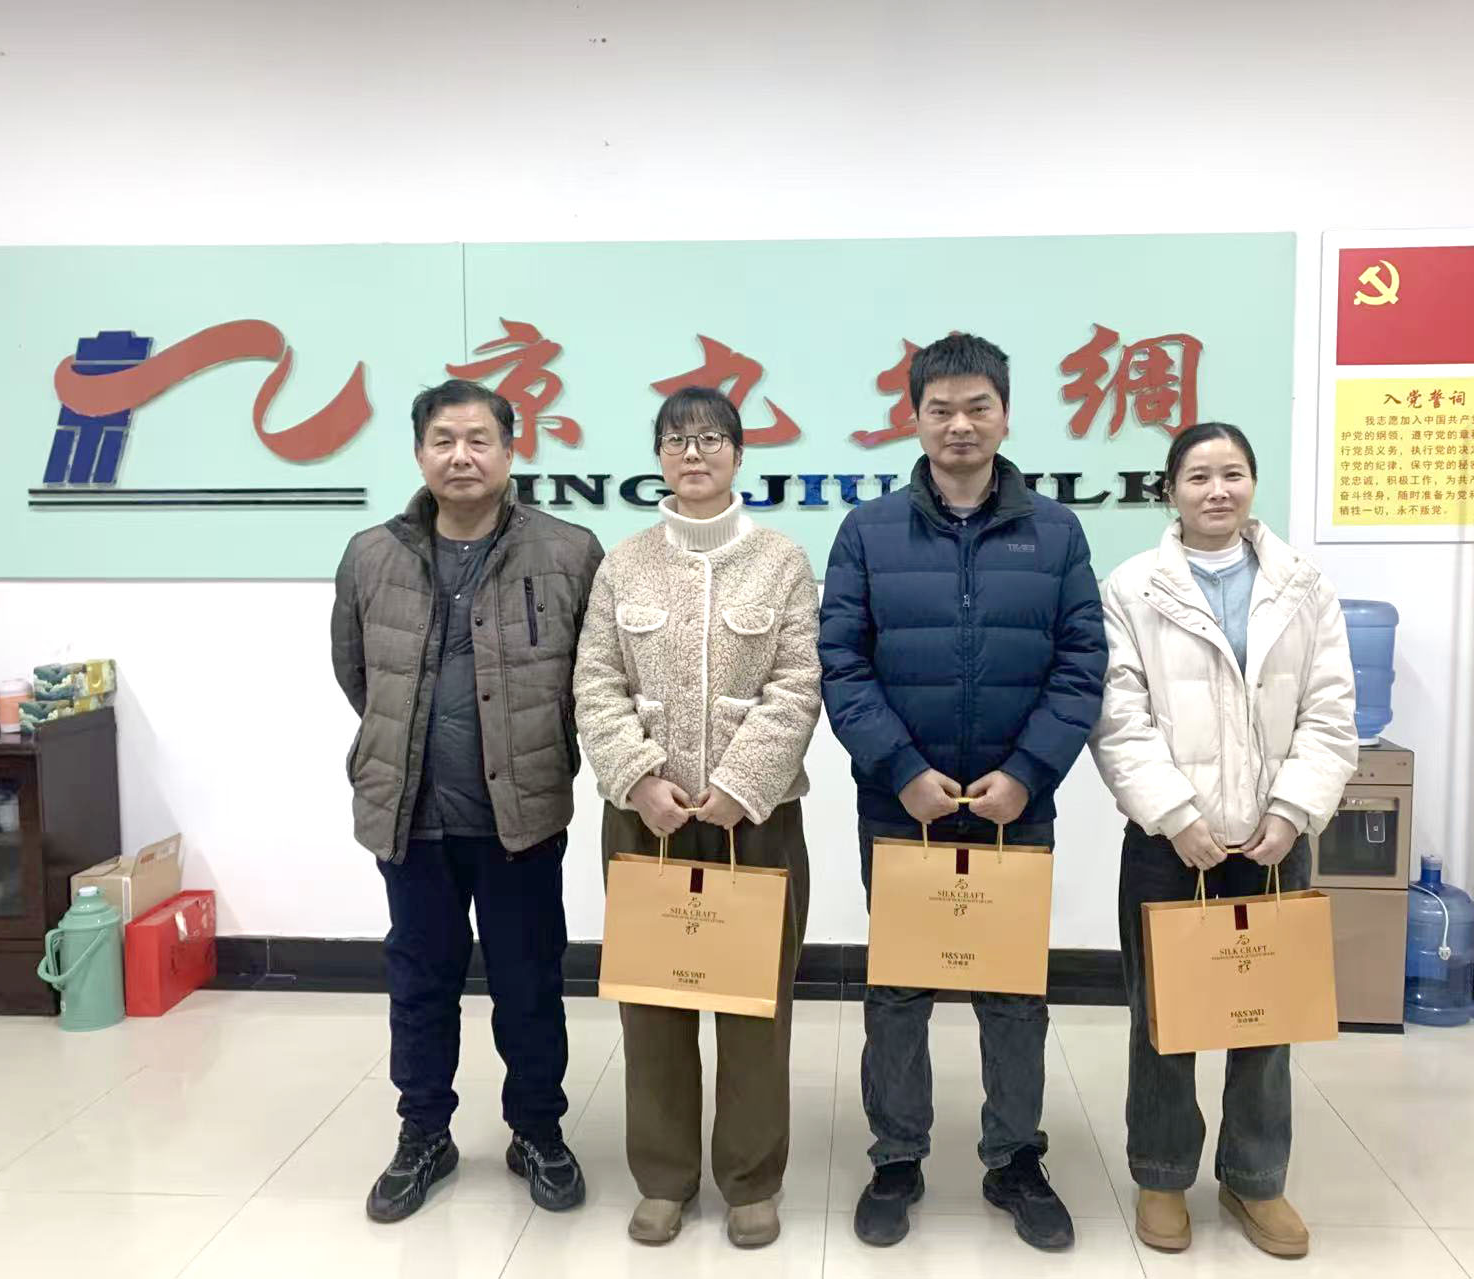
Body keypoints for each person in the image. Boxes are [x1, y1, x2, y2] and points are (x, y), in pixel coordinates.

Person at [818, 333, 1107, 1251]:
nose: (959, 424)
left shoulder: (1056, 532)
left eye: (978, 406)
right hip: (901, 805)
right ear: (914, 418)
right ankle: (897, 1155)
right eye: (940, 408)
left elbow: (1082, 664)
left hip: (1015, 806)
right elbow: (840, 662)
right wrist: (901, 770)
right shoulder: (868, 531)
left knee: (1012, 988)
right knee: (900, 985)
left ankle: (1014, 1156)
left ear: (1006, 415)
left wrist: (1027, 774)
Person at [331, 378, 603, 1224]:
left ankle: (538, 1131)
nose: (461, 456)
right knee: (420, 983)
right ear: (419, 453)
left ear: (511, 450)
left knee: (530, 981)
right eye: (443, 440)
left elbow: (592, 681)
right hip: (411, 814)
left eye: (479, 439)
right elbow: (356, 672)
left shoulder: (568, 552)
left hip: (520, 814)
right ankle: (424, 1135)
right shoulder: (371, 555)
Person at [1091, 421, 1356, 1260]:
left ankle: (1255, 1177)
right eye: (1199, 475)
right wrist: (1176, 814)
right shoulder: (1131, 589)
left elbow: (1330, 709)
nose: (1217, 490)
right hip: (1171, 843)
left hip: (1275, 839)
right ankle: (1162, 1173)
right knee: (1163, 1018)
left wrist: (1293, 810)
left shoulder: (1302, 585)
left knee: (1266, 1017)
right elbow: (1118, 717)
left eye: (1233, 473)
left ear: (1252, 484)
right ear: (1169, 489)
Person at [573, 386, 821, 1249]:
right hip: (648, 820)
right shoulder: (623, 563)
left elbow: (799, 684)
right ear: (659, 457)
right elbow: (595, 681)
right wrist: (639, 778)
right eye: (677, 440)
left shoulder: (781, 560)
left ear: (739, 454)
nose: (694, 453)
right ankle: (664, 1177)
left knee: (755, 1006)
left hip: (757, 819)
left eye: (711, 438)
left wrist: (744, 784)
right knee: (653, 1004)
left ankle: (751, 1179)